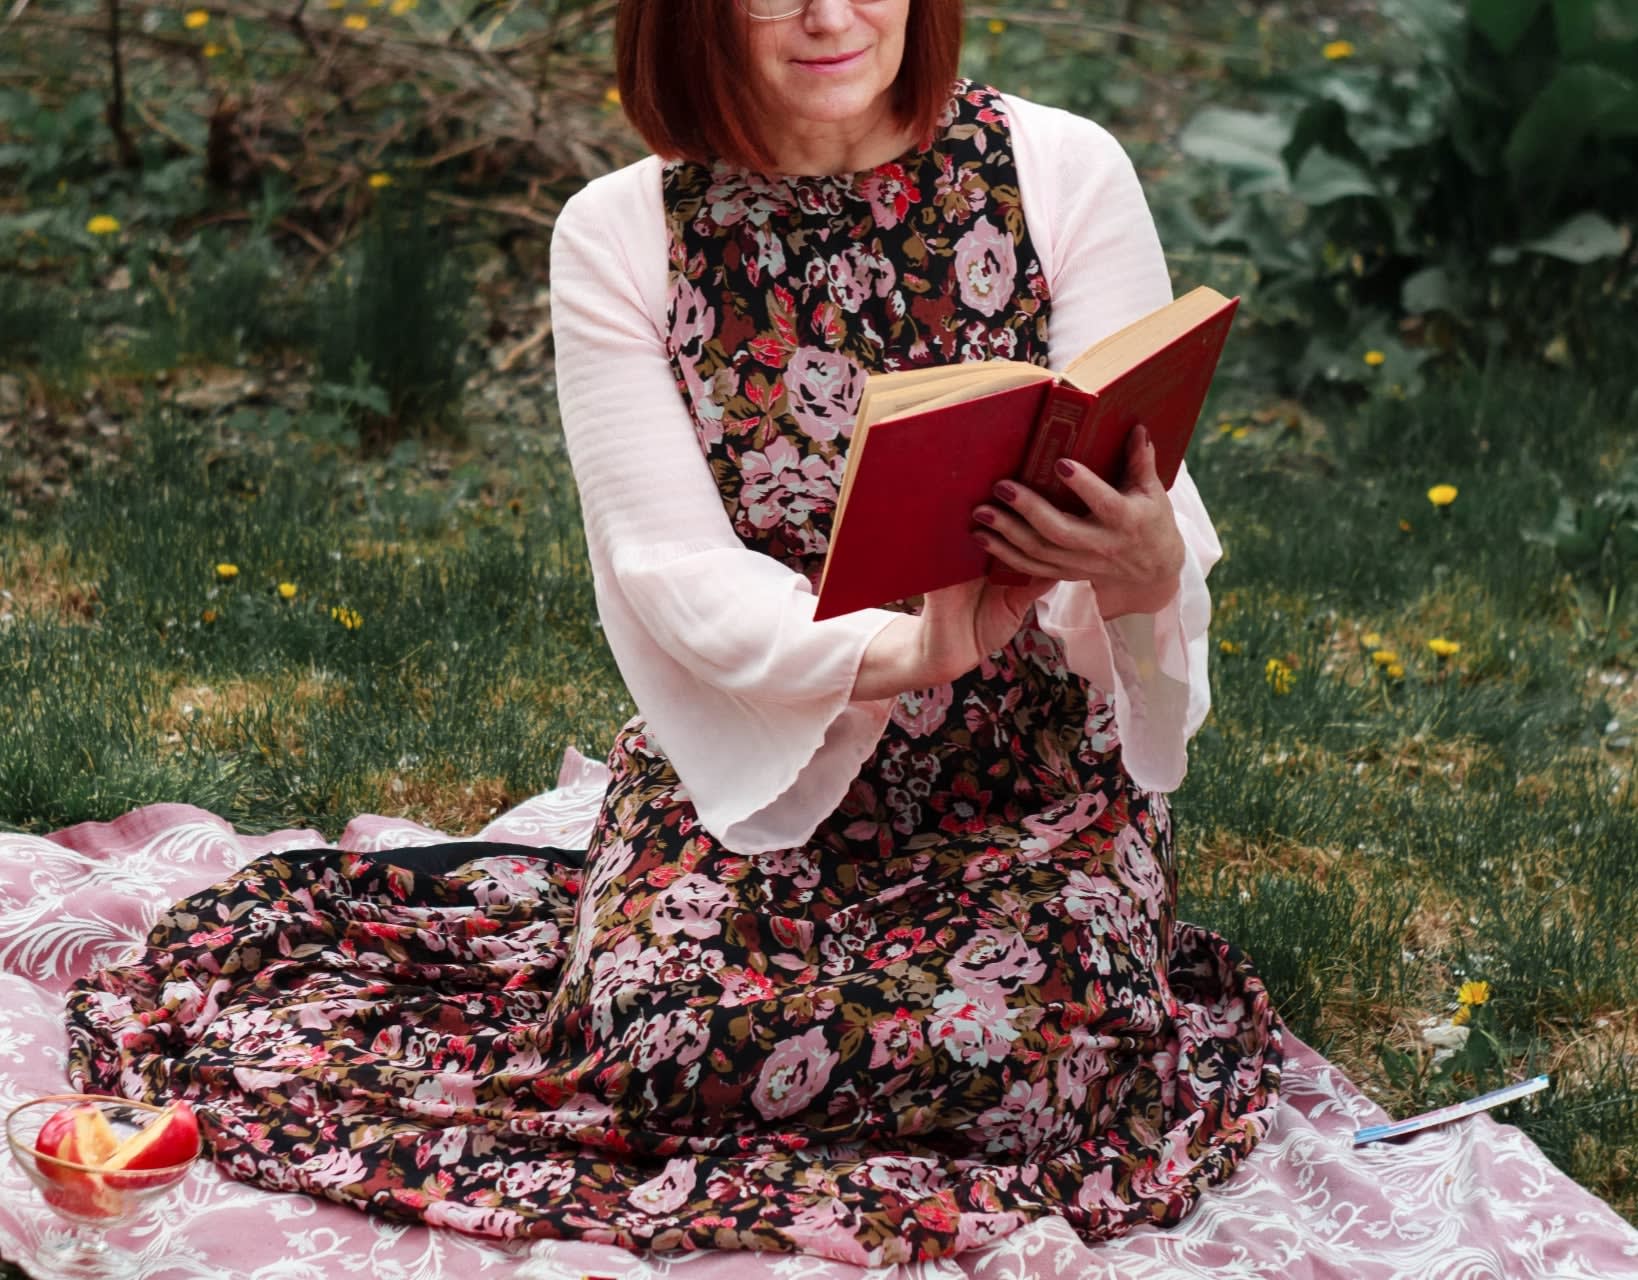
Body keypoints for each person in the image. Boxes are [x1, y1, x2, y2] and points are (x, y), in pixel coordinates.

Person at [64, 0, 1280, 1266]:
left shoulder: (1064, 167)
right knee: (655, 1041)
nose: (827, 15)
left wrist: (1142, 564)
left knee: (1041, 1062)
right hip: (759, 761)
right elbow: (671, 567)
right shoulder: (618, 233)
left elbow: (1139, 484)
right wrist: (912, 647)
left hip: (1034, 781)